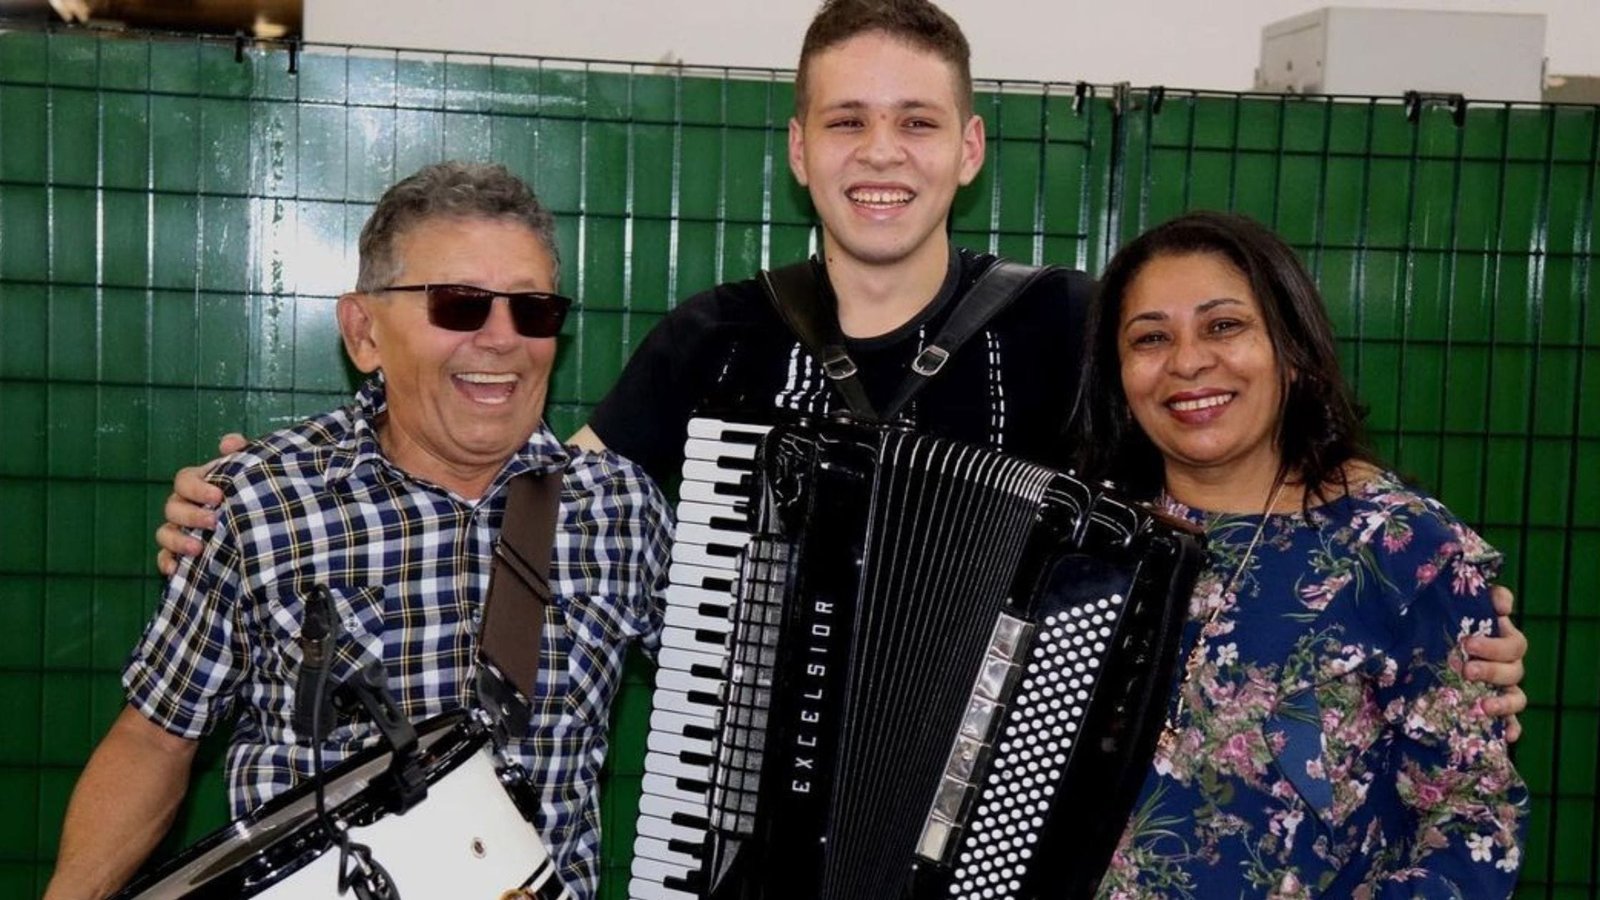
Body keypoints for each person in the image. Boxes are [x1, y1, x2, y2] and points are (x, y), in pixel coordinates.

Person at [149, 0, 1534, 725]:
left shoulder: (1069, 322)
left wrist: (1421, 589)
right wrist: (266, 486)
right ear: (800, 148)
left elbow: (1226, 448)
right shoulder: (710, 341)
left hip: (1021, 796)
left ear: (969, 150)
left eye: (919, 121)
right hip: (751, 797)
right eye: (850, 121)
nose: (884, 153)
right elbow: (517, 496)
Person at [44, 162, 670, 900]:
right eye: (461, 305)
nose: (504, 339)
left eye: (533, 308)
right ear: (363, 330)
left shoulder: (621, 509)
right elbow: (156, 737)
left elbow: (741, 711)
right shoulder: (263, 499)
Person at [1074, 210, 1526, 897]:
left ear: (1292, 350)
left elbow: (1473, 820)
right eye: (1150, 338)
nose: (1188, 361)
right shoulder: (1079, 542)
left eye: (1224, 326)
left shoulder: (1402, 549)